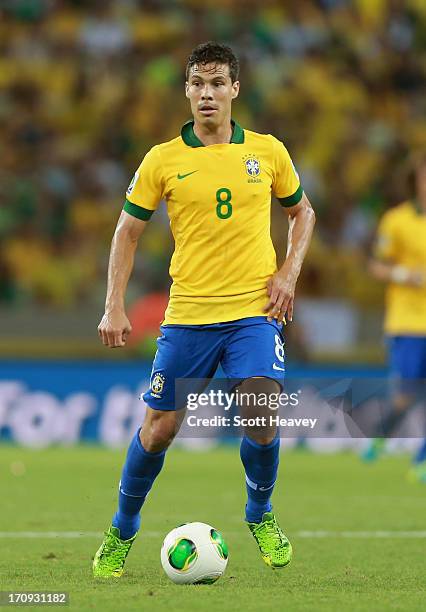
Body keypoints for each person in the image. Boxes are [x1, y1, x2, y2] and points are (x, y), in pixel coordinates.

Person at [93, 41, 315, 578]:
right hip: (189, 314)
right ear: (187, 91)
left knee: (261, 413)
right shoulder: (163, 158)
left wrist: (288, 273)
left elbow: (302, 213)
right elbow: (127, 231)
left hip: (252, 314)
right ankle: (122, 528)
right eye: (197, 84)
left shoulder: (268, 151)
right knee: (159, 430)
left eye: (218, 84)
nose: (207, 94)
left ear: (235, 89)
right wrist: (113, 306)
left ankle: (259, 513)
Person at [362, 153, 426, 482]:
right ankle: (380, 436)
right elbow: (375, 265)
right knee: (404, 397)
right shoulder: (397, 220)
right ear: (416, 181)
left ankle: (422, 462)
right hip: (407, 323)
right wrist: (404, 274)